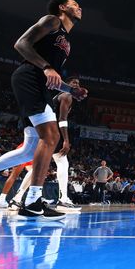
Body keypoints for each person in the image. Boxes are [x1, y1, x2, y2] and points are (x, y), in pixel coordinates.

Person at [0, 0, 87, 220]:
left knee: (29, 150)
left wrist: (71, 90)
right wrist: (46, 67)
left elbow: (51, 76)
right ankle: (33, 200)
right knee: (51, 137)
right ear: (63, 8)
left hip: (40, 84)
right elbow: (21, 44)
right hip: (29, 79)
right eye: (74, 4)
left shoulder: (67, 40)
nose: (79, 7)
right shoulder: (52, 21)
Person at [52, 76, 81, 212]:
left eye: (78, 83)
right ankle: (62, 200)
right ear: (67, 84)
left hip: (45, 129)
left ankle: (17, 198)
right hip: (53, 131)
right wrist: (66, 140)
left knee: (36, 165)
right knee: (63, 163)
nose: (76, 84)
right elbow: (62, 119)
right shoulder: (67, 95)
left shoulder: (59, 95)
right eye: (73, 82)